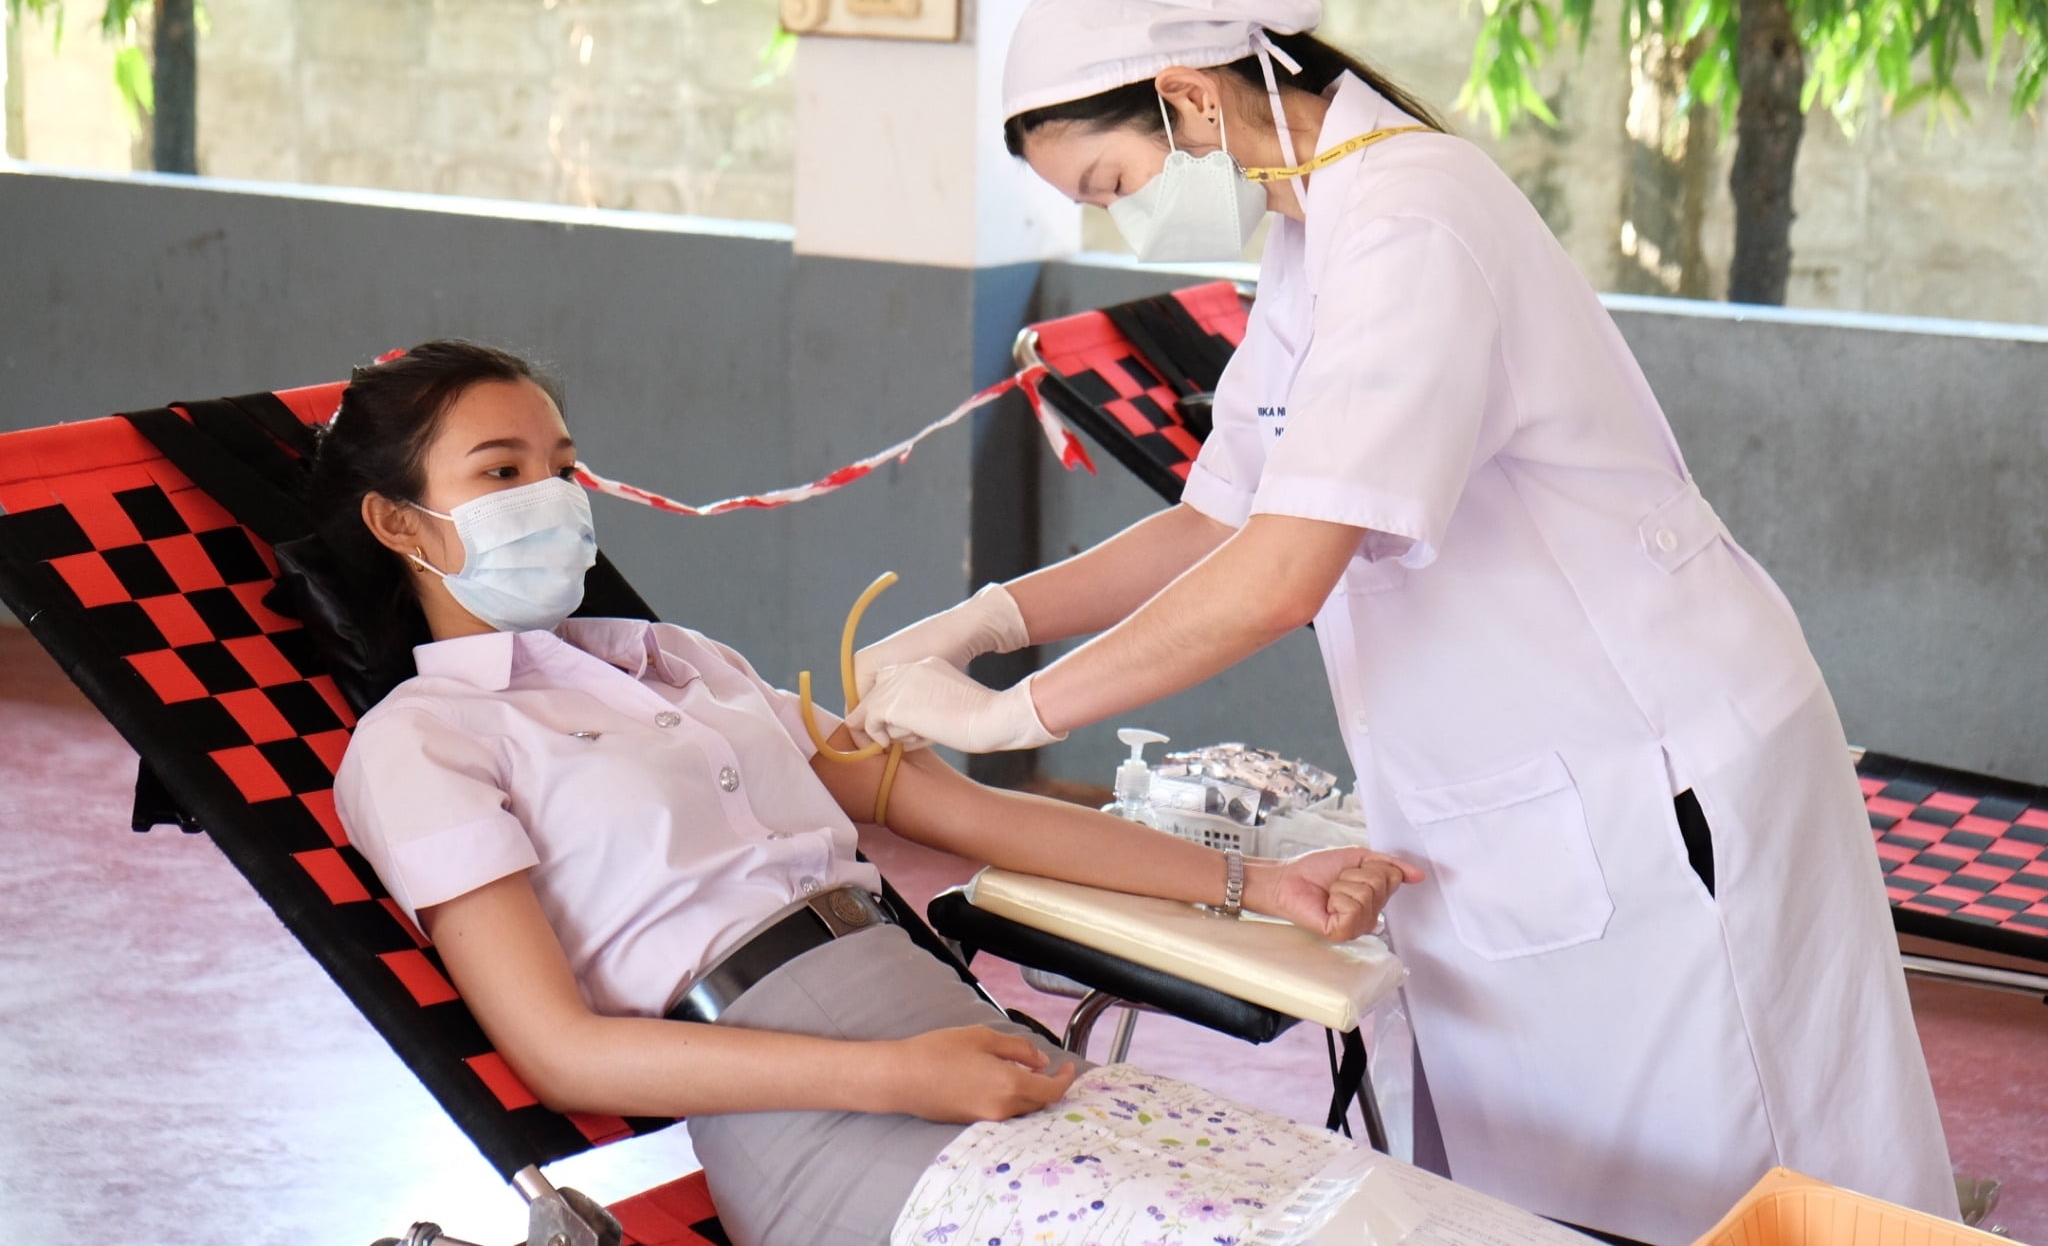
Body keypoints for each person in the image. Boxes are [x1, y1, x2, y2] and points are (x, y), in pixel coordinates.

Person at [846, 0, 1956, 1245]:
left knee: (1756, 1203)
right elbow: (1216, 518)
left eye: (1111, 184)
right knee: (1564, 1201)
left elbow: (1278, 575)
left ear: (1189, 99)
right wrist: (987, 621)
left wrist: (1004, 717)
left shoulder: (1416, 221)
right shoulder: (1320, 235)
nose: (1118, 220)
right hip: (1530, 810)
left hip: (1656, 794)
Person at [306, 341, 1420, 1246]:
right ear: (399, 523)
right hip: (815, 1114)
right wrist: (891, 1079)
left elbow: (968, 814)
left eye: (560, 465)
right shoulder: (423, 741)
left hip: (966, 1048)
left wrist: (1264, 883)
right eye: (500, 473)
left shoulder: (684, 663)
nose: (547, 494)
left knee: (1362, 1224)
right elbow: (561, 1052)